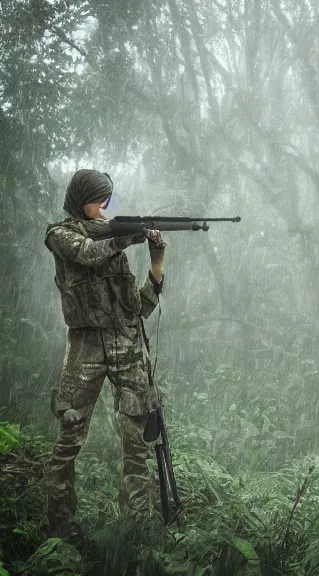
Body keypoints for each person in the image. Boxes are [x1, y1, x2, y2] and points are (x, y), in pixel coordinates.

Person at [44, 169, 166, 541]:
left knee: (136, 438)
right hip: (86, 346)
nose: (105, 208)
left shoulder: (112, 240)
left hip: (125, 343)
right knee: (70, 435)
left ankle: (138, 527)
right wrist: (124, 236)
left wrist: (157, 262)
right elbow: (87, 253)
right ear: (81, 199)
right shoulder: (60, 234)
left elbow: (136, 307)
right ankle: (62, 531)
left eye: (109, 202)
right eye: (101, 200)